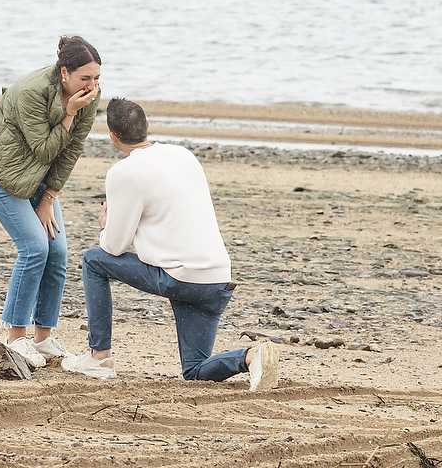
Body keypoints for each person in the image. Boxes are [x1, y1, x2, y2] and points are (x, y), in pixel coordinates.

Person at [61, 97, 279, 390]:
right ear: (147, 126)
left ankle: (99, 358)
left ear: (113, 138)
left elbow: (113, 247)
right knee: (194, 370)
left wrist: (105, 225)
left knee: (93, 260)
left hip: (181, 278)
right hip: (217, 280)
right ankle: (252, 357)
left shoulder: (123, 172)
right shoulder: (183, 155)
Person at [0, 36, 101, 368]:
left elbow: (70, 151)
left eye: (97, 78)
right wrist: (69, 114)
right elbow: (45, 148)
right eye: (85, 78)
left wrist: (49, 197)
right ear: (64, 73)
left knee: (57, 251)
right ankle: (15, 338)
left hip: (38, 178)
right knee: (34, 248)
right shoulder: (31, 92)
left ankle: (42, 339)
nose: (92, 86)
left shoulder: (89, 98)